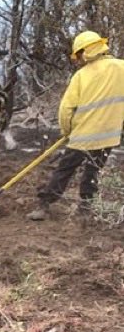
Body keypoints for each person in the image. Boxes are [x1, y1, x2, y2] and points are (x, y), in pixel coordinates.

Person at [27, 31, 124, 221]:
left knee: (64, 170)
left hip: (83, 137)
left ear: (85, 51)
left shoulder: (82, 76)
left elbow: (66, 109)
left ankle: (45, 206)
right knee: (93, 170)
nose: (77, 60)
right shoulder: (121, 67)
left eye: (78, 55)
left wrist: (67, 130)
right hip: (109, 136)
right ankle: (85, 208)